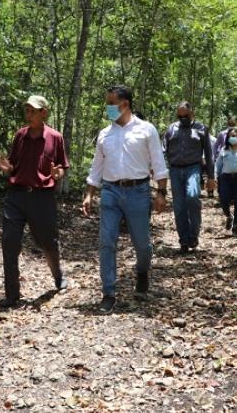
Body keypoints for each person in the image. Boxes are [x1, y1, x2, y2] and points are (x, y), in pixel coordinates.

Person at [82, 85, 169, 314]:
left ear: (125, 104)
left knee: (141, 243)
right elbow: (96, 168)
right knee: (106, 241)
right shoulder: (105, 134)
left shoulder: (147, 130)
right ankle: (109, 292)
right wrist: (89, 195)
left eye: (112, 103)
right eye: (107, 104)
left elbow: (159, 164)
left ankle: (142, 271)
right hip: (110, 192)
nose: (109, 108)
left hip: (138, 192)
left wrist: (161, 192)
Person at [0, 95, 69, 308]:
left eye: (33, 111)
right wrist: (7, 169)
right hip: (15, 195)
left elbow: (62, 167)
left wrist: (57, 174)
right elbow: (13, 165)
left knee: (48, 242)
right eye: (27, 110)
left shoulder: (55, 137)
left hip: (41, 197)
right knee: (9, 242)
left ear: (44, 112)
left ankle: (58, 277)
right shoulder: (20, 135)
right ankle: (12, 294)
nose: (29, 115)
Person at [163, 102, 215, 253]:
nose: (182, 119)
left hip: (193, 167)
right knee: (179, 206)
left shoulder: (201, 129)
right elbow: (163, 150)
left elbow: (209, 154)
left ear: (192, 113)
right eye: (179, 116)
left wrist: (211, 177)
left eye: (185, 116)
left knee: (192, 198)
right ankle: (184, 241)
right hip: (175, 170)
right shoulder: (171, 129)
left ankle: (194, 235)